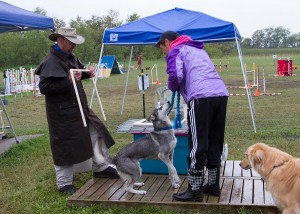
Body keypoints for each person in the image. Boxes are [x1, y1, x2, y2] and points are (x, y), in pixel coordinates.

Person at [35, 27, 119, 195]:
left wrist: (88, 73)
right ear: (60, 40)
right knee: (64, 145)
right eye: (71, 42)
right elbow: (44, 88)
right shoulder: (50, 61)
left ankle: (101, 167)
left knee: (96, 133)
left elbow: (78, 73)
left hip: (81, 108)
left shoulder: (70, 56)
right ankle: (64, 183)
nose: (74, 45)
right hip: (61, 113)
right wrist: (68, 80)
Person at [155, 31, 229, 202]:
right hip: (220, 94)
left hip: (200, 97)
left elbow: (176, 75)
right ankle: (213, 184)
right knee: (215, 140)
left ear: (167, 42)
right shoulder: (198, 49)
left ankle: (194, 190)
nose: (164, 53)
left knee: (197, 143)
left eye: (162, 49)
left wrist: (172, 87)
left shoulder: (175, 50)